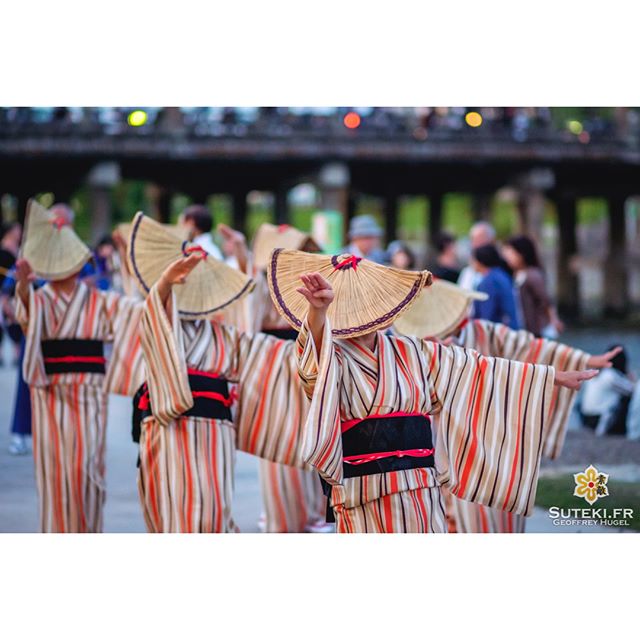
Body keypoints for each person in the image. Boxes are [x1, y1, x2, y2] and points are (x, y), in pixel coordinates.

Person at [267, 248, 596, 533]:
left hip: (420, 486)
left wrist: (549, 377)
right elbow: (312, 372)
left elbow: (478, 368)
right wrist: (317, 312)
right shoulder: (331, 354)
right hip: (363, 489)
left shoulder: (415, 350)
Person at [130, 213, 319, 533]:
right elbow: (153, 317)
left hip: (215, 432)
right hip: (168, 429)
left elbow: (276, 354)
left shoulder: (226, 336)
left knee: (214, 509)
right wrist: (163, 284)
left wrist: (317, 315)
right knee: (173, 507)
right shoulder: (156, 317)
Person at [393, 278, 621, 532]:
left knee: (494, 502)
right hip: (443, 436)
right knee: (448, 509)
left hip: (491, 429)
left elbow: (530, 347)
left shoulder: (481, 331)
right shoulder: (419, 346)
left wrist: (585, 359)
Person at [14, 199, 145, 533]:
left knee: (87, 468)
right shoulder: (40, 297)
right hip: (51, 392)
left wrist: (130, 268)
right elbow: (25, 317)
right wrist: (24, 284)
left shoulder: (98, 299)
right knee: (55, 470)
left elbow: (134, 312)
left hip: (89, 389)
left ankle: (87, 531)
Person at [249, 223, 329, 533]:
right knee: (278, 435)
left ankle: (311, 509)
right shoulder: (262, 282)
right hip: (274, 360)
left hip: (303, 357)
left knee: (310, 432)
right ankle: (278, 508)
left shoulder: (302, 281)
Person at [502, 235, 563, 337]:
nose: (507, 258)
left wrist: (554, 320)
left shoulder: (532, 275)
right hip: (526, 329)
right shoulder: (516, 274)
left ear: (521, 254)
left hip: (538, 330)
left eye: (511, 253)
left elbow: (546, 300)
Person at [580, 346, 636, 436]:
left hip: (586, 418)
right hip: (601, 421)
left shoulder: (596, 372)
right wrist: (631, 379)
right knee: (626, 398)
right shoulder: (610, 375)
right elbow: (632, 391)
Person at [472, 244, 520, 328]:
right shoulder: (501, 275)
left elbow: (486, 315)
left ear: (480, 261)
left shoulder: (489, 282)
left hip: (497, 334)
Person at [0, 222, 23, 366]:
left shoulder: (19, 250)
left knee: (16, 323)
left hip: (16, 293)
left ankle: (17, 354)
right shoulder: (3, 251)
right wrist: (3, 297)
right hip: (5, 293)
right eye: (17, 230)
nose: (19, 233)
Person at [457, 221, 503, 290]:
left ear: (492, 241)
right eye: (473, 240)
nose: (475, 245)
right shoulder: (467, 272)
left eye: (480, 240)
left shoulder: (499, 272)